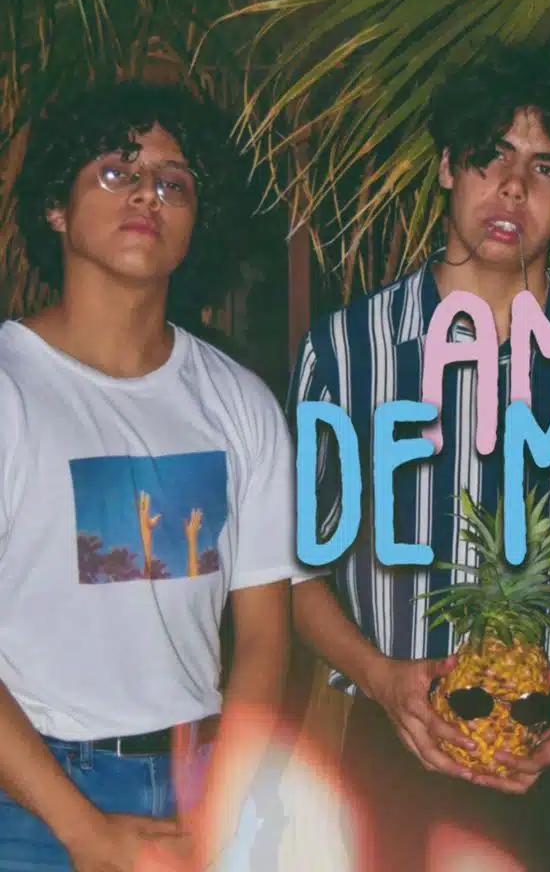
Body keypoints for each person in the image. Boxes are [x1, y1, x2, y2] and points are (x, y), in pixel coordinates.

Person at [287, 41, 550, 871]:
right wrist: (379, 677)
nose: (513, 187)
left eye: (546, 168)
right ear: (446, 169)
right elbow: (293, 572)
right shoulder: (348, 350)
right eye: (490, 155)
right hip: (396, 759)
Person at [0, 81, 299, 870]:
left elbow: (264, 635)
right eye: (116, 171)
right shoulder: (9, 389)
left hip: (199, 780)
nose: (147, 194)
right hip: (28, 793)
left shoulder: (239, 402)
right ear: (56, 208)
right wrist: (82, 829)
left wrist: (225, 796)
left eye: (175, 182)